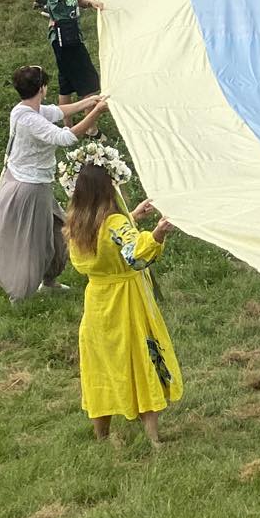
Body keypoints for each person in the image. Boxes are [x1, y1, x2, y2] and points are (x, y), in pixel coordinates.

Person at [66, 163, 182, 445]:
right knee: (140, 359)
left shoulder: (77, 224)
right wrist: (157, 233)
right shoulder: (115, 223)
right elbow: (134, 254)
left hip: (97, 302)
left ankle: (101, 435)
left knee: (100, 365)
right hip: (127, 301)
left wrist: (132, 216)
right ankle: (153, 437)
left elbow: (104, 238)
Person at [0, 66, 105, 301]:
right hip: (29, 188)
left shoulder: (26, 109)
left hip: (34, 183)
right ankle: (19, 292)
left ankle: (49, 280)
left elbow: (58, 111)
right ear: (42, 89)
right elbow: (65, 137)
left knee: (57, 230)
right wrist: (96, 112)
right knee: (32, 241)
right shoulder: (29, 118)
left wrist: (89, 102)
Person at [43, 0, 113, 99]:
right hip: (65, 37)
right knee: (87, 82)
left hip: (70, 34)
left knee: (66, 83)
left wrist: (90, 2)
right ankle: (91, 125)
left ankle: (67, 121)